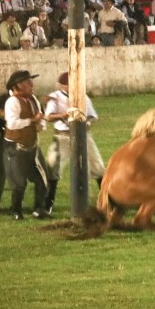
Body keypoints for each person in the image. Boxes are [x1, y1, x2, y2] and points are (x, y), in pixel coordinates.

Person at [44, 72, 106, 211]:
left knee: (98, 167)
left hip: (83, 135)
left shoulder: (82, 96)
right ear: (62, 85)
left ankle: (107, 201)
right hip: (63, 136)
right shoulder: (55, 97)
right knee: (53, 166)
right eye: (69, 84)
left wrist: (87, 122)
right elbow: (48, 117)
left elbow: (92, 116)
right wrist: (64, 115)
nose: (72, 87)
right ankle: (48, 204)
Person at [3, 70, 48, 220]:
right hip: (16, 148)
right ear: (19, 85)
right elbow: (12, 123)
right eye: (28, 82)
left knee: (42, 179)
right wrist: (31, 121)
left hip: (32, 147)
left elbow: (40, 116)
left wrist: (41, 125)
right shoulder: (12, 102)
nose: (32, 85)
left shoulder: (33, 99)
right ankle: (16, 211)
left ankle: (39, 209)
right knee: (19, 183)